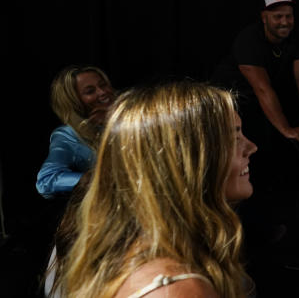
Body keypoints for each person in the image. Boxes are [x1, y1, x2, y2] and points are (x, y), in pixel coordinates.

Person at [52, 81, 257, 297]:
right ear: (185, 160)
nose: (252, 147)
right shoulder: (176, 288)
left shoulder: (149, 254)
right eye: (234, 138)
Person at [212, 0, 299, 194]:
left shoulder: (297, 36)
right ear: (264, 17)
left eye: (288, 16)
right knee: (264, 143)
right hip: (233, 98)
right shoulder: (248, 40)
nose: (284, 22)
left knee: (294, 141)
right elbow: (262, 89)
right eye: (277, 17)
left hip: (265, 95)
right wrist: (287, 130)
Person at [36, 65, 115, 199]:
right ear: (75, 101)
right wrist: (98, 180)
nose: (102, 92)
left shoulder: (128, 119)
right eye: (90, 91)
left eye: (103, 85)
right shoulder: (68, 135)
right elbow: (46, 181)